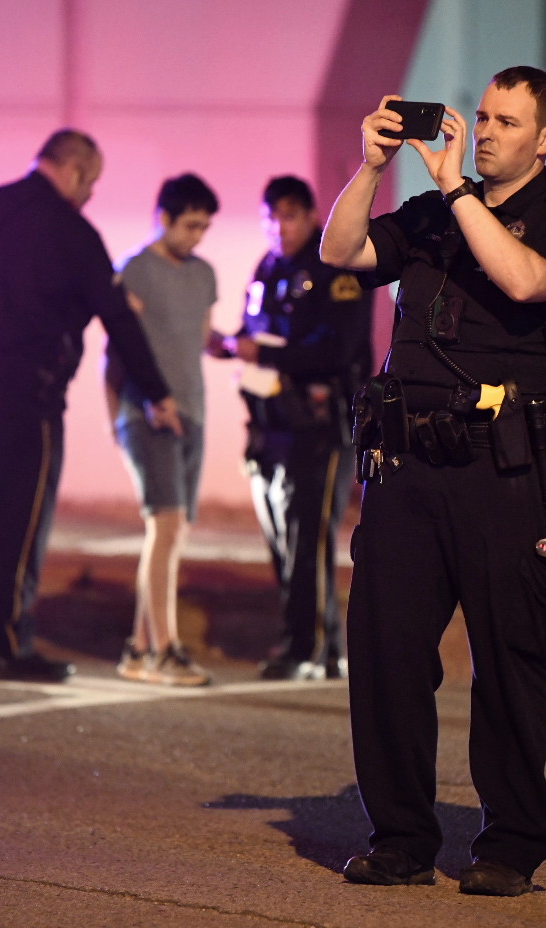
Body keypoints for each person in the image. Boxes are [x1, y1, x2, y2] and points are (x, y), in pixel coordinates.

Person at [320, 67, 546, 895]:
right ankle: (403, 838)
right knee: (386, 656)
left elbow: (523, 281)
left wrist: (456, 195)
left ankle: (510, 846)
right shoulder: (428, 217)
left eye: (506, 122)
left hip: (505, 474)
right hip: (407, 470)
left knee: (508, 663)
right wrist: (372, 167)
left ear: (544, 139)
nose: (482, 133)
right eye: (479, 116)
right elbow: (340, 252)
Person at [0, 129, 181, 683]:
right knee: (17, 518)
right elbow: (118, 318)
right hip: (24, 387)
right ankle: (3, 645)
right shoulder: (72, 231)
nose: (90, 195)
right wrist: (158, 392)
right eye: (91, 183)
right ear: (74, 171)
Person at [212, 176, 372, 681]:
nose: (276, 228)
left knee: (309, 539)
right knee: (281, 540)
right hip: (269, 423)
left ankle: (312, 647)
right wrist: (229, 343)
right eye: (268, 218)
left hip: (319, 425)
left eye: (286, 217)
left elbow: (338, 349)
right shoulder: (268, 266)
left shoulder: (335, 265)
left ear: (309, 216)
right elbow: (253, 330)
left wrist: (266, 352)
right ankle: (310, 645)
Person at [104, 174, 220, 687]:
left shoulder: (204, 274)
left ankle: (139, 647)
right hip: (147, 414)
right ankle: (166, 652)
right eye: (190, 225)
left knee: (171, 533)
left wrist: (243, 346)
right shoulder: (134, 270)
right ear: (163, 218)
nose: (197, 236)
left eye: (204, 227)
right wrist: (125, 413)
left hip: (193, 411)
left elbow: (198, 338)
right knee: (166, 525)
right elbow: (118, 350)